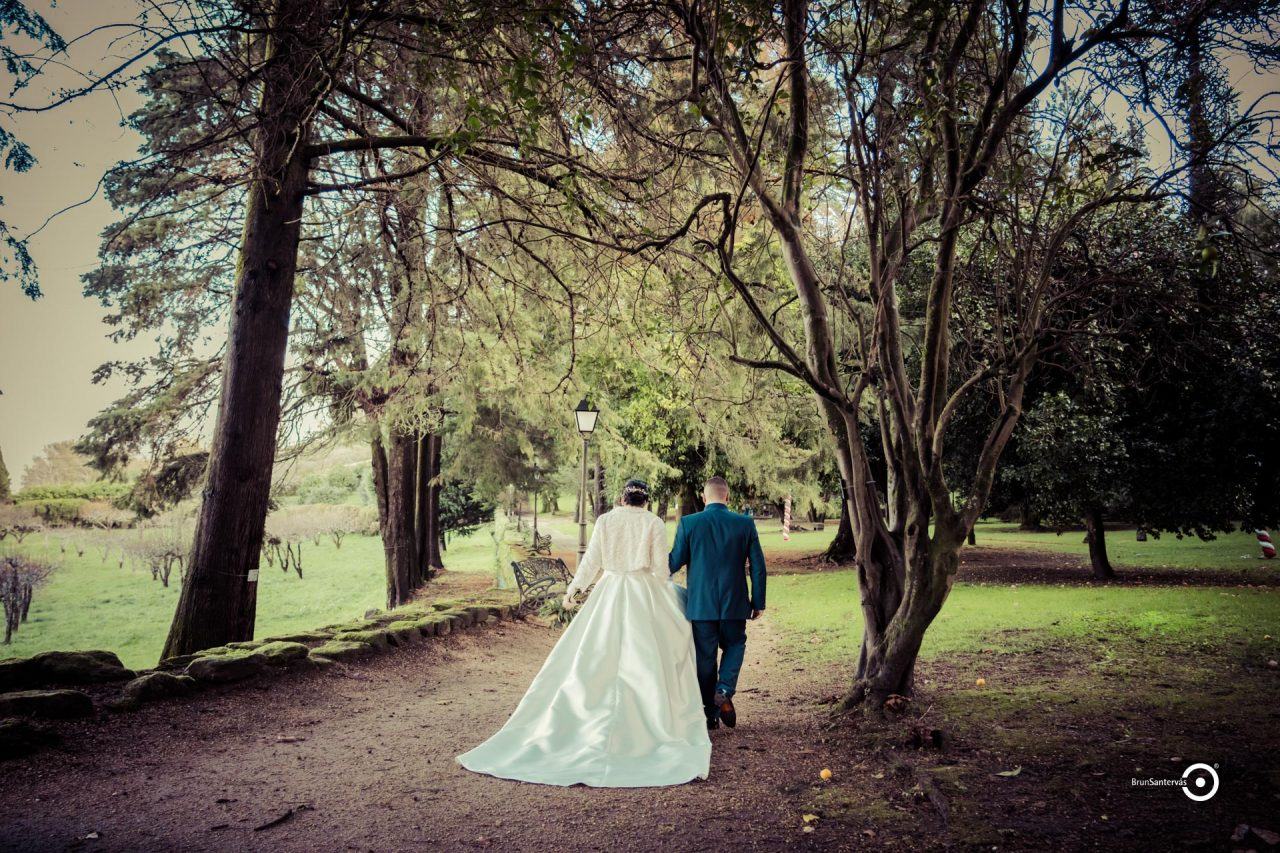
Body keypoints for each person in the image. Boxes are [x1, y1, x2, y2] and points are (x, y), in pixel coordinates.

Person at [456, 479, 710, 787]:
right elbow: (659, 569)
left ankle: (586, 720)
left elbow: (592, 560)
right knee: (650, 655)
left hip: (611, 589)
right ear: (645, 501)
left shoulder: (605, 520)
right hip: (644, 592)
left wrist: (575, 588)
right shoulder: (653, 522)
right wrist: (664, 586)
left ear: (621, 498)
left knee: (596, 654)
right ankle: (649, 724)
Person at [668, 476, 767, 729]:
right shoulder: (744, 524)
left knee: (705, 658)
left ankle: (710, 713)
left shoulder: (689, 523)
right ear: (727, 496)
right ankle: (724, 689)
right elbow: (758, 566)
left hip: (701, 605)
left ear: (704, 497)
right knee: (735, 644)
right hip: (735, 603)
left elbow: (674, 562)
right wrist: (758, 601)